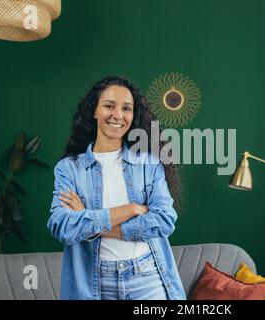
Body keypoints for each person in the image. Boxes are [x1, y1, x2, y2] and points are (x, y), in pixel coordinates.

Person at [47, 75, 186, 300]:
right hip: (95, 284)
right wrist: (131, 209)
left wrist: (88, 220)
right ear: (95, 111)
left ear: (133, 115)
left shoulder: (148, 164)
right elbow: (61, 226)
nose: (118, 115)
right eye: (109, 106)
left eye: (126, 108)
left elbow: (164, 221)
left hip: (147, 279)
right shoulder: (69, 169)